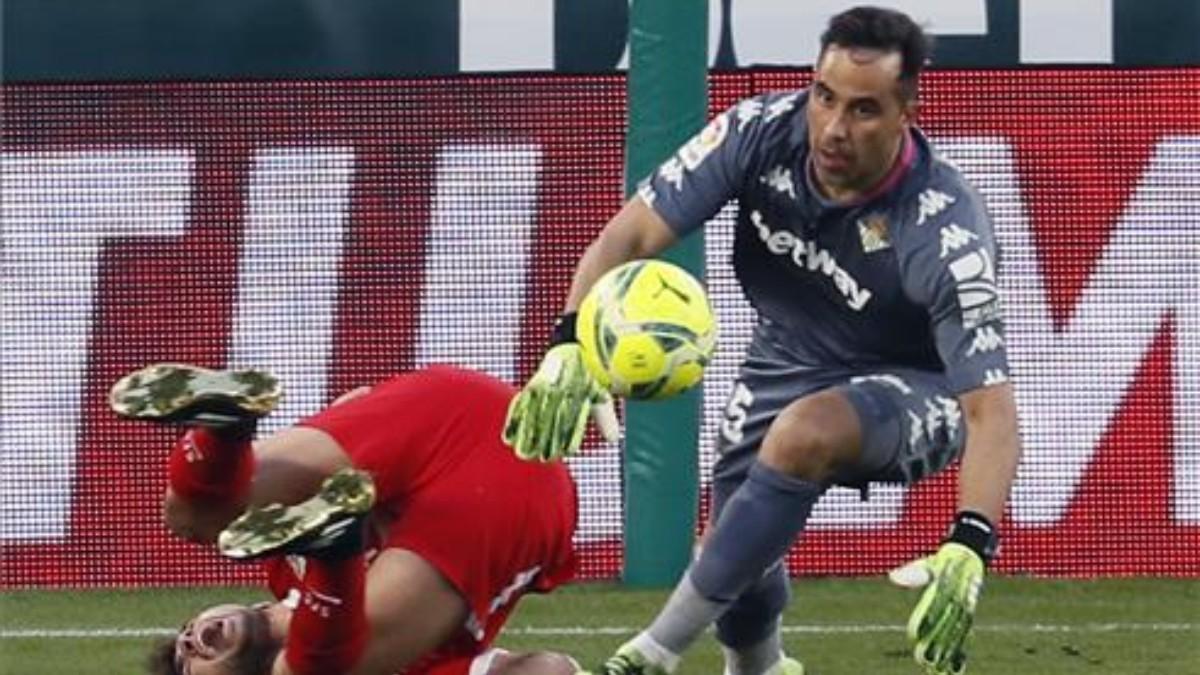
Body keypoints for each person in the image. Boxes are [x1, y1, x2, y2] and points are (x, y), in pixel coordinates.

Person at [502, 6, 1021, 675]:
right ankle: (761, 667)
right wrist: (569, 340)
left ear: (905, 113)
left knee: (805, 432)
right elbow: (628, 236)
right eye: (824, 97)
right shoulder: (758, 132)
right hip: (789, 356)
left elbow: (992, 411)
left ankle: (649, 653)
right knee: (736, 554)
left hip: (921, 388)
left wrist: (971, 540)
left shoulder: (947, 233)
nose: (834, 128)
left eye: (864, 110)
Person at [110, 363, 581, 675]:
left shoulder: (273, 551)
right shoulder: (414, 664)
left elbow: (351, 404)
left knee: (192, 515)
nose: (191, 641)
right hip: (513, 480)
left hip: (445, 413)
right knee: (318, 667)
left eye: (182, 635)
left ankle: (225, 427)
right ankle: (337, 548)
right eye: (187, 662)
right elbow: (550, 670)